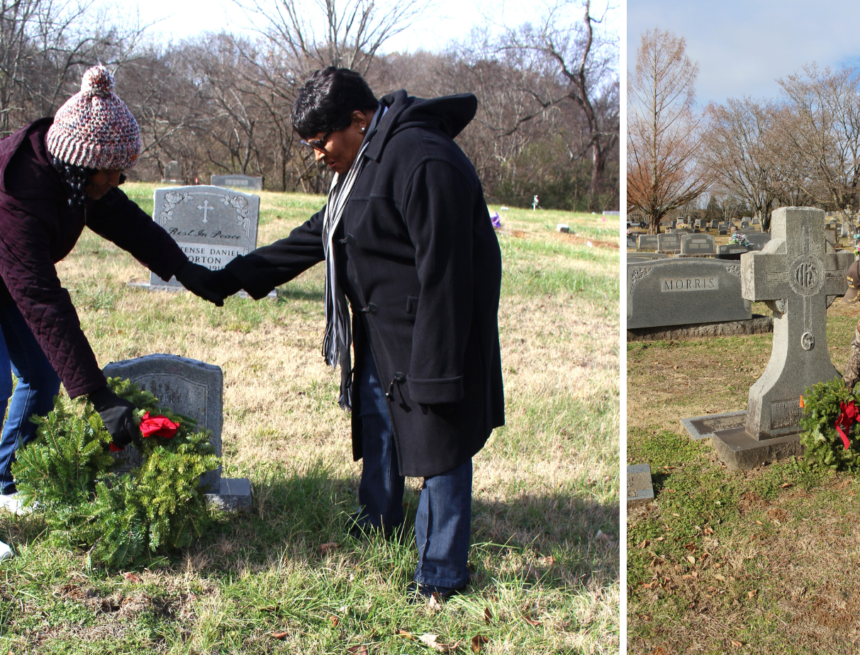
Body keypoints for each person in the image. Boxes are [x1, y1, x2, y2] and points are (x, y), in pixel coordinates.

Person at [209, 67, 504, 600]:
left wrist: (438, 373)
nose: (317, 155)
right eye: (309, 145)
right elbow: (320, 234)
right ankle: (378, 521)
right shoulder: (364, 160)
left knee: (441, 449)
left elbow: (450, 275)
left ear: (359, 119)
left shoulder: (424, 160)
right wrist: (234, 278)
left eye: (321, 142)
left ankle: (441, 575)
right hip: (380, 328)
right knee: (379, 428)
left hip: (431, 335)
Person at [0, 66, 223, 503]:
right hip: (12, 270)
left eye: (119, 173)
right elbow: (44, 301)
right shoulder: (19, 194)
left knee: (41, 378)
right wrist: (98, 394)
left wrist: (184, 269)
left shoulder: (76, 176)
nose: (113, 182)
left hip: (11, 276)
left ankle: (6, 482)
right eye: (107, 173)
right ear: (77, 164)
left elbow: (125, 220)